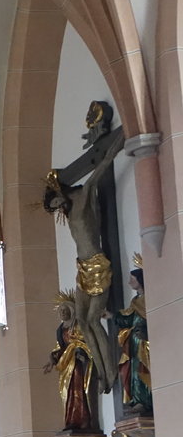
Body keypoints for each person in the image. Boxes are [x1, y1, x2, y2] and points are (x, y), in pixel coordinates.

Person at [43, 122, 123, 395]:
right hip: (82, 269)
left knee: (93, 319)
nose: (56, 208)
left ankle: (109, 372)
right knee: (83, 321)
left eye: (54, 202)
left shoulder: (85, 197)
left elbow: (100, 168)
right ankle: (101, 372)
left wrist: (115, 143)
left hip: (98, 265)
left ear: (62, 193)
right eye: (53, 206)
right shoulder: (69, 211)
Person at [43, 290, 97, 432]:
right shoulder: (60, 329)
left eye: (64, 310)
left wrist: (80, 351)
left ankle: (83, 419)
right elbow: (60, 348)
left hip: (78, 364)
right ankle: (71, 420)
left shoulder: (78, 325)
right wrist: (52, 360)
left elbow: (86, 342)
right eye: (60, 311)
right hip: (67, 365)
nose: (62, 314)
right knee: (67, 393)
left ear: (71, 311)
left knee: (79, 390)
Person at [112, 258, 151, 415]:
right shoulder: (136, 301)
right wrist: (111, 316)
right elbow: (128, 318)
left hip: (144, 341)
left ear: (140, 280)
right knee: (133, 371)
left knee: (143, 370)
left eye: (132, 279)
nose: (129, 282)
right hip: (134, 342)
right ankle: (137, 400)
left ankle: (145, 401)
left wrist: (146, 333)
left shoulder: (151, 299)